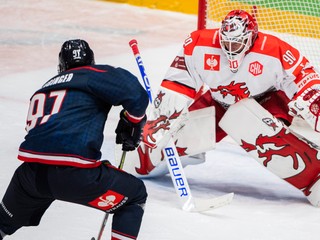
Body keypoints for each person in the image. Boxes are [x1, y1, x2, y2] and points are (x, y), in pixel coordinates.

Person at [123, 10, 320, 206]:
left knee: (255, 129)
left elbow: (305, 76)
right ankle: (153, 161)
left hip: (268, 101)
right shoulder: (198, 44)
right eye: (226, 43)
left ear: (251, 37)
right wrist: (161, 121)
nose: (230, 49)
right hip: (218, 101)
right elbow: (177, 83)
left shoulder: (273, 49)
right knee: (153, 153)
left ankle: (315, 176)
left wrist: (313, 101)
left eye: (236, 43)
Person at [0, 39, 149, 240]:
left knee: (2, 223)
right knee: (135, 195)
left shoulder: (45, 88)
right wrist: (132, 121)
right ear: (91, 61)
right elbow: (137, 95)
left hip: (30, 177)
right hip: (76, 177)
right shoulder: (92, 75)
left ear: (62, 65)